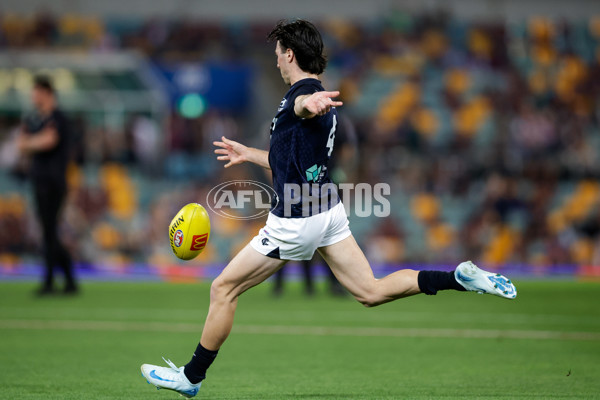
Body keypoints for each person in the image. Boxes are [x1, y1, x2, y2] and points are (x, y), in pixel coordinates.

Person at [141, 19, 516, 398]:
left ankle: (191, 378)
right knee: (370, 291)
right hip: (327, 212)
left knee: (223, 289)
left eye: (277, 55)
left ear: (289, 54)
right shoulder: (316, 95)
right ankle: (459, 278)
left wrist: (308, 104)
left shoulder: (302, 96)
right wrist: (249, 154)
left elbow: (304, 108)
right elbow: (290, 160)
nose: (275, 62)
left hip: (297, 221)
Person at [17, 76, 78, 295]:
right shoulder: (34, 119)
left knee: (49, 231)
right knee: (48, 232)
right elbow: (22, 143)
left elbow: (48, 141)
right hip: (39, 180)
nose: (33, 97)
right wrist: (35, 142)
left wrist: (33, 143)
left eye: (36, 92)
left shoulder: (59, 118)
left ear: (46, 93)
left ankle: (53, 281)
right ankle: (66, 280)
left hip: (54, 182)